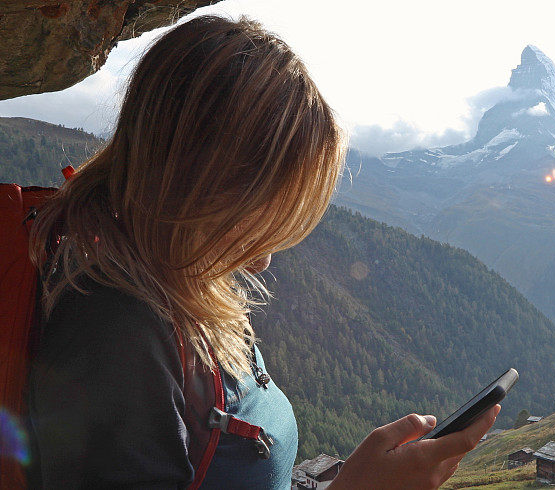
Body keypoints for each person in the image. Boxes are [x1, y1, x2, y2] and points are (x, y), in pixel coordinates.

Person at [26, 14, 499, 489]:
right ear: (196, 185)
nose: (263, 259)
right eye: (251, 223)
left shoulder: (180, 284)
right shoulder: (116, 335)